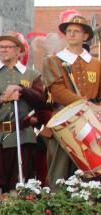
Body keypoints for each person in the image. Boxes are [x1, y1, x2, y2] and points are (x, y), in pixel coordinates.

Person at [0, 33, 45, 206]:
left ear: (19, 51)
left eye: (8, 47)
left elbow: (40, 99)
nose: (3, 50)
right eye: (0, 47)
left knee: (19, 178)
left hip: (22, 134)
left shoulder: (32, 75)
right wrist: (3, 98)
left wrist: (22, 90)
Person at [43, 14, 101, 185]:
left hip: (92, 121)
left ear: (85, 36)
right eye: (68, 31)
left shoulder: (96, 64)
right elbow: (57, 91)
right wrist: (86, 105)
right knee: (60, 170)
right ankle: (57, 200)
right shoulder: (53, 61)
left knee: (94, 167)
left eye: (77, 31)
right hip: (64, 119)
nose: (72, 34)